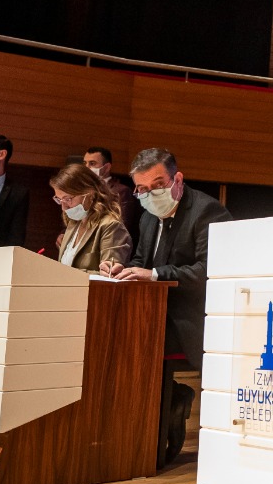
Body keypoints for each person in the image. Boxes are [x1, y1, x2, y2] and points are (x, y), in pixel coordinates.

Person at [99, 147, 231, 466]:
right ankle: (126, 438)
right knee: (108, 339)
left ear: (177, 179)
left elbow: (211, 270)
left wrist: (155, 274)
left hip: (193, 318)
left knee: (137, 345)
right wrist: (121, 268)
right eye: (141, 189)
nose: (149, 194)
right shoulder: (148, 216)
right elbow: (141, 261)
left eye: (157, 185)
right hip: (154, 314)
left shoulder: (206, 211)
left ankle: (152, 435)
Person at [49, 163, 132, 272]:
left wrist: (68, 275)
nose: (64, 207)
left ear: (90, 194)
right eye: (59, 199)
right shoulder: (73, 222)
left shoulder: (111, 226)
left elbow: (110, 276)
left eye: (68, 199)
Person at [83, 145, 140, 245]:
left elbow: (122, 227)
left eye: (92, 163)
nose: (86, 168)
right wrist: (64, 233)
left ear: (107, 167)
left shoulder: (121, 191)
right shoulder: (81, 190)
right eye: (85, 163)